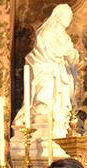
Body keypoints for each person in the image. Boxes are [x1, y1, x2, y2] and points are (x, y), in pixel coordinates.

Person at [16, 3, 78, 139]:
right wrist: (65, 51)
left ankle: (60, 124)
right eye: (66, 16)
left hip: (61, 72)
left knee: (61, 100)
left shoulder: (66, 37)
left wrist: (73, 55)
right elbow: (45, 53)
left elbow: (71, 58)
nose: (69, 19)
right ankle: (43, 123)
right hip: (46, 69)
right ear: (58, 16)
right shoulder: (46, 32)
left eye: (70, 16)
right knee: (45, 96)